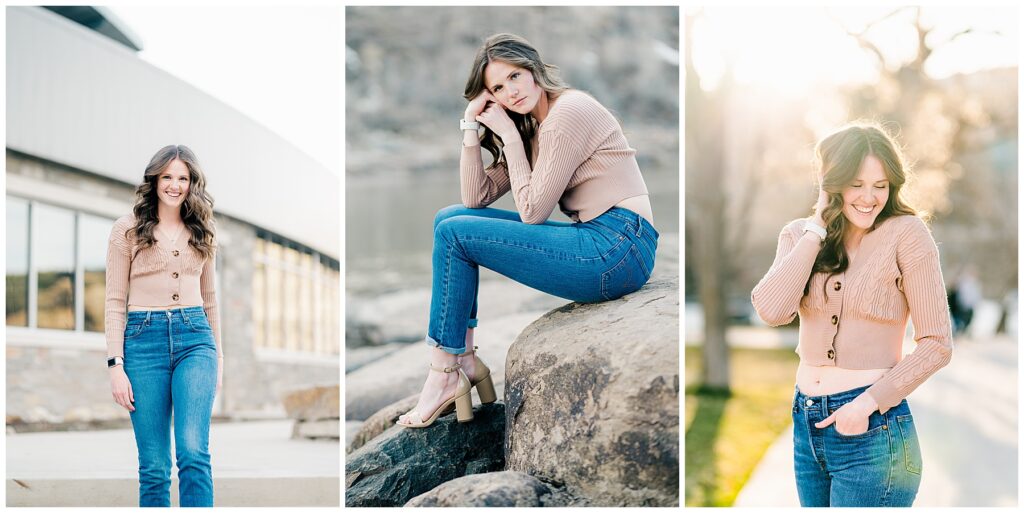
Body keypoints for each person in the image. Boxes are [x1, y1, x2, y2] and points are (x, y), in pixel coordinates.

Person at [396, 33, 658, 427]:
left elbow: (534, 212)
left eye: (515, 76)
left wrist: (512, 141)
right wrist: (471, 128)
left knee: (454, 235)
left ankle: (443, 373)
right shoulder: (533, 127)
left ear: (534, 69)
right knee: (447, 220)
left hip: (619, 248)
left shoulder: (567, 114)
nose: (511, 92)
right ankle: (462, 358)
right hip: (603, 240)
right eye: (497, 88)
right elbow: (474, 198)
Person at [751, 123, 952, 506]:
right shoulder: (799, 235)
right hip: (805, 423)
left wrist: (866, 404)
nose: (869, 197)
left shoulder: (906, 234)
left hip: (873, 430)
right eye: (856, 184)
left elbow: (938, 344)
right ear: (832, 182)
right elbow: (772, 310)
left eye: (881, 185)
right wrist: (817, 229)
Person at [106, 145, 222, 507]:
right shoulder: (126, 229)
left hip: (195, 340)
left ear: (192, 183)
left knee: (193, 453)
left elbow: (211, 300)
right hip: (142, 343)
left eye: (183, 178)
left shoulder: (202, 230)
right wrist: (115, 365)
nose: (175, 185)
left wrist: (220, 359)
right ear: (155, 179)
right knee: (154, 467)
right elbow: (113, 302)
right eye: (167, 177)